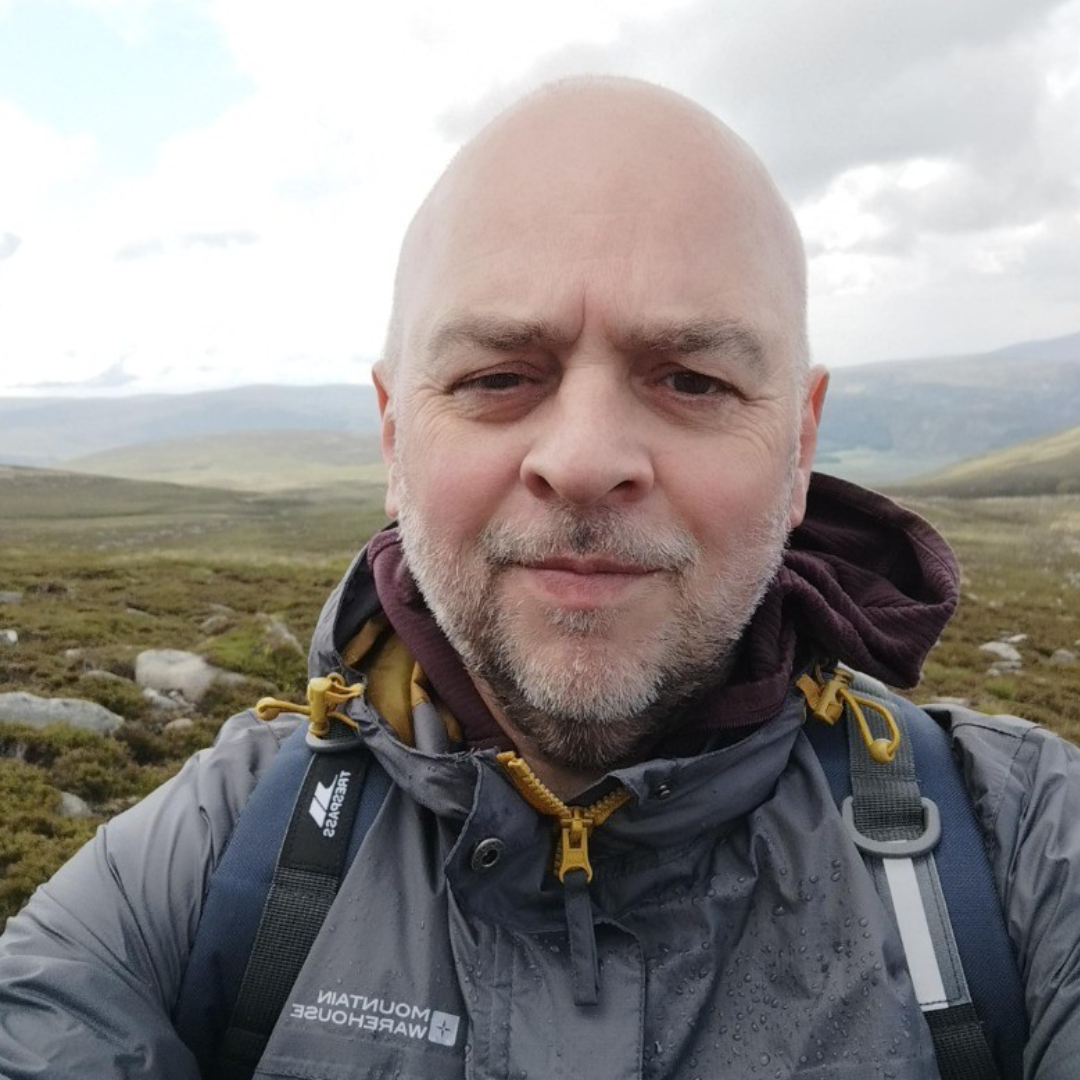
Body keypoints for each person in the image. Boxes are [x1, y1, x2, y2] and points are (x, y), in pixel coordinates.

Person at [1, 77, 1078, 1079]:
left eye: (693, 379)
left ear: (801, 446)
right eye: (498, 377)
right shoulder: (206, 867)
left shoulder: (1023, 853)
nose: (584, 457)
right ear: (392, 437)